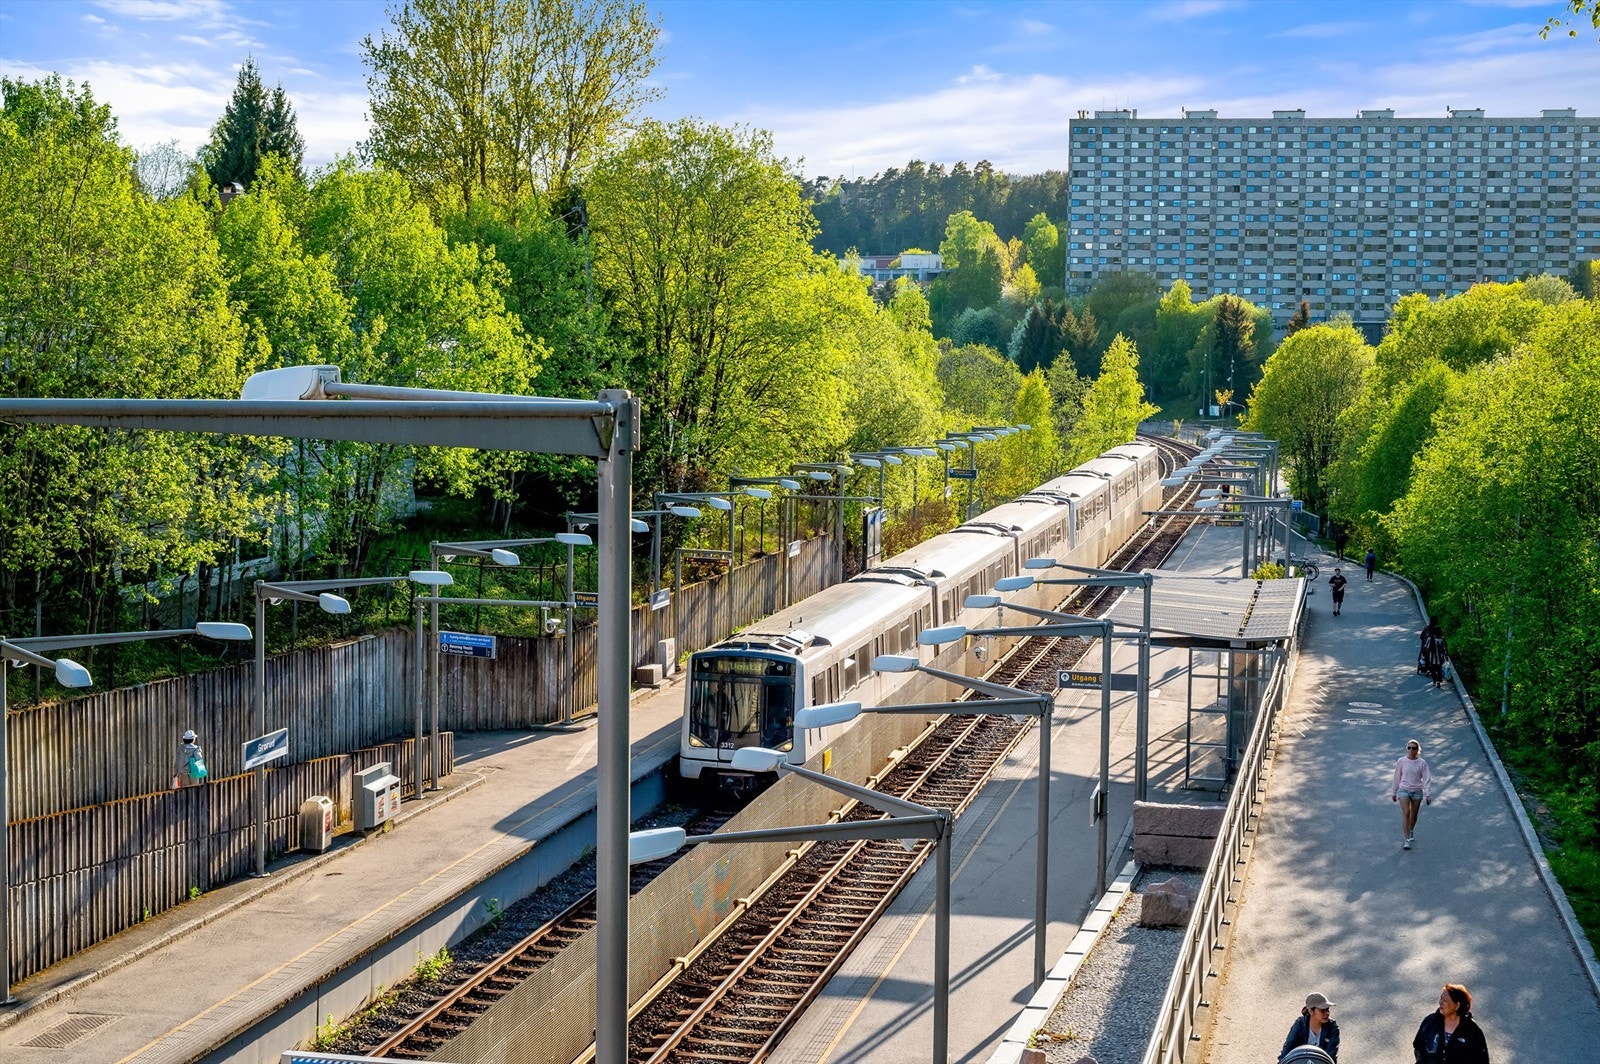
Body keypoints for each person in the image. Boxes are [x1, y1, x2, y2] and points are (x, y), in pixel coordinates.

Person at [1413, 983, 1490, 1064]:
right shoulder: (1431, 1021)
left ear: (1457, 1005)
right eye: (1441, 998)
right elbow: (1418, 1044)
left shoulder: (1472, 1031)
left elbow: (1482, 1060)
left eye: (1445, 1000)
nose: (1440, 1002)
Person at [1391, 739, 1432, 849]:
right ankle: (1406, 840)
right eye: (1409, 748)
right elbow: (1396, 777)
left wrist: (1427, 794)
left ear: (1417, 750)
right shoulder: (1401, 761)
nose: (1411, 750)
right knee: (1406, 812)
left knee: (1414, 814)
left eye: (1413, 748)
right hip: (1403, 789)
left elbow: (1426, 779)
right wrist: (1394, 792)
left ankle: (1411, 830)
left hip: (1417, 791)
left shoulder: (1422, 763)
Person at [1279, 991, 1341, 1061]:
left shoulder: (1332, 1027)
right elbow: (1288, 1048)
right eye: (1322, 1010)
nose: (1326, 1013)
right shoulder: (1300, 1024)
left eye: (1327, 1009)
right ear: (1311, 1011)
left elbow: (1331, 1055)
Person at [1420, 619, 1448, 688]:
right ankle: (1439, 680)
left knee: (1432, 668)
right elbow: (1444, 649)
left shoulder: (1430, 638)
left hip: (1431, 657)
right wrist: (1446, 656)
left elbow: (1426, 647)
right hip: (1440, 657)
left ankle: (1434, 680)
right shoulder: (1441, 639)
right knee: (1439, 668)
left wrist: (1423, 653)